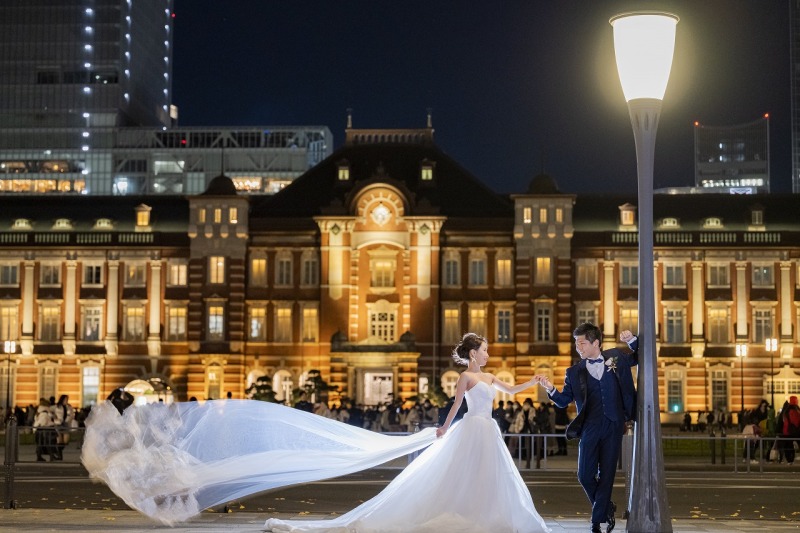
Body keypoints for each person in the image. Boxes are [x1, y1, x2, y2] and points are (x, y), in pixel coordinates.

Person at [82, 333, 551, 532]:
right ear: (471, 356)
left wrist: (539, 382)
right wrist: (442, 431)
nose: (488, 355)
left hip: (487, 435)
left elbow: (513, 388)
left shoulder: (490, 378)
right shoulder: (469, 379)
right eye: (484, 351)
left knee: (489, 480)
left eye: (488, 351)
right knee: (452, 477)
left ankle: (485, 517)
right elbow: (453, 408)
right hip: (469, 431)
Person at [535, 323, 638, 533]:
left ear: (596, 343)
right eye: (576, 344)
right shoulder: (573, 372)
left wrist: (631, 341)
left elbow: (638, 357)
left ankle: (596, 522)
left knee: (607, 474)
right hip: (590, 427)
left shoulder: (615, 357)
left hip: (613, 425)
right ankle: (606, 508)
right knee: (584, 475)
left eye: (581, 343)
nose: (578, 348)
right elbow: (564, 400)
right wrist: (551, 389)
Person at [33, 397, 56, 462]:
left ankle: (39, 457)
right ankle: (51, 456)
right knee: (48, 444)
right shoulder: (44, 413)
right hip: (45, 430)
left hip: (39, 430)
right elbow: (43, 422)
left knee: (40, 444)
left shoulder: (39, 412)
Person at [781, 395, 800, 465]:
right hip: (796, 431)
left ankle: (790, 460)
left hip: (787, 431)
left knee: (788, 446)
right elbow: (796, 421)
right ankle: (791, 459)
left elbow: (783, 420)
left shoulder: (786, 410)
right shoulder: (797, 410)